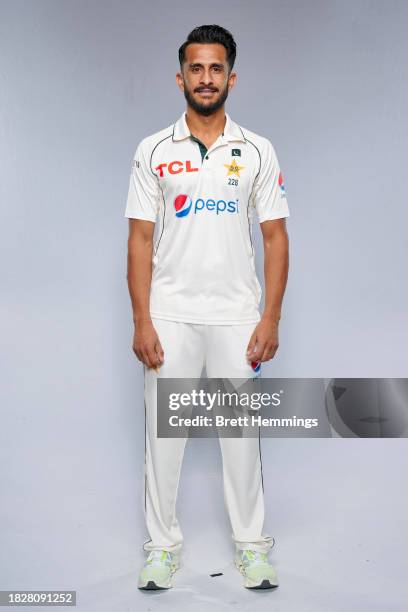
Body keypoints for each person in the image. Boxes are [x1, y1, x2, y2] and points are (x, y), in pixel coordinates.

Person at [125, 24, 290, 590]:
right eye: (196, 68)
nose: (205, 78)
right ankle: (161, 549)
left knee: (241, 442)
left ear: (231, 78)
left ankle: (251, 547)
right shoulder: (153, 149)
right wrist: (142, 318)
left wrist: (269, 318)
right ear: (180, 77)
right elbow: (140, 240)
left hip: (238, 316)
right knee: (163, 441)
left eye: (215, 68)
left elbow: (275, 237)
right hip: (169, 315)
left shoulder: (258, 150)